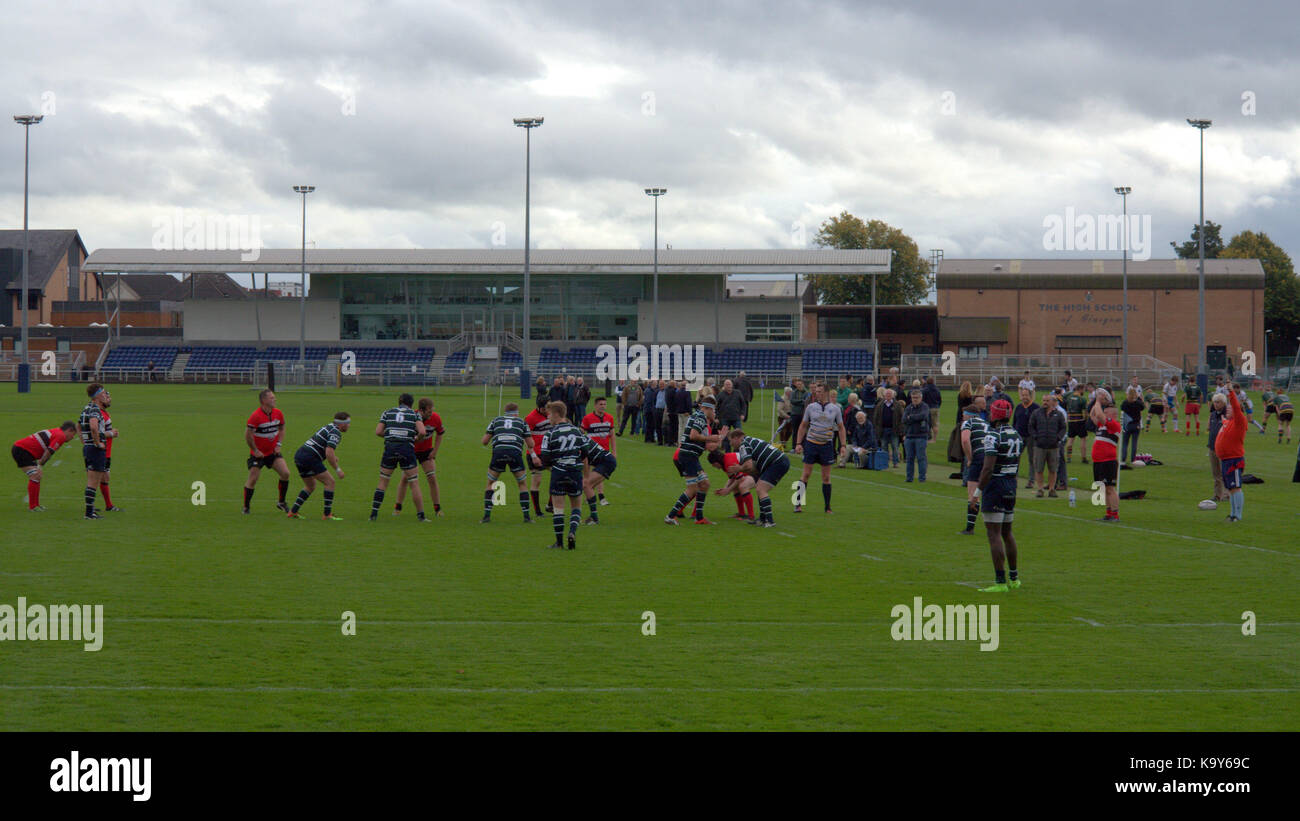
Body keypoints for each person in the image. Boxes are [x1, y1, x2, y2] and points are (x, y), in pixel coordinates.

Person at [976, 398, 1024, 593]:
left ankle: (1000, 581)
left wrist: (977, 492)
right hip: (1011, 483)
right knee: (1007, 532)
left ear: (993, 414)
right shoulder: (1017, 434)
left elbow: (987, 468)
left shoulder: (992, 436)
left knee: (994, 534)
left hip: (996, 484)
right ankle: (1014, 578)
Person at [533, 401, 591, 549]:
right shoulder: (577, 431)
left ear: (556, 414)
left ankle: (559, 543)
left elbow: (545, 458)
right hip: (575, 472)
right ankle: (572, 532)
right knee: (576, 506)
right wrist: (575, 461)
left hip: (558, 472)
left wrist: (553, 465)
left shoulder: (550, 433)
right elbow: (585, 451)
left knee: (558, 508)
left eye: (549, 415)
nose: (548, 418)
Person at [368, 393, 429, 522]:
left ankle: (373, 514)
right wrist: (416, 439)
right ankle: (421, 516)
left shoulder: (387, 412)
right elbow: (423, 432)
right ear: (411, 404)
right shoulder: (414, 414)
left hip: (390, 448)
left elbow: (378, 431)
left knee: (383, 482)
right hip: (406, 448)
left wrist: (391, 436)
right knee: (414, 483)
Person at [665, 395, 722, 525]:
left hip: (691, 456)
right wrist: (712, 438)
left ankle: (699, 517)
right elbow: (693, 435)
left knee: (705, 484)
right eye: (714, 410)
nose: (715, 413)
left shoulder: (698, 416)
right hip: (688, 455)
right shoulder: (701, 417)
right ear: (708, 409)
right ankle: (670, 516)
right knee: (692, 488)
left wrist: (717, 438)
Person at [794, 382, 847, 512]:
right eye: (816, 391)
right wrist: (798, 443)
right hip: (811, 443)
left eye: (819, 392)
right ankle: (797, 503)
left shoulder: (835, 409)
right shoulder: (811, 407)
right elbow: (803, 425)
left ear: (826, 393)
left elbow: (841, 428)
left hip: (826, 445)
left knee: (826, 477)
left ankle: (827, 507)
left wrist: (843, 445)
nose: (817, 393)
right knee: (806, 474)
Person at [287, 413, 350, 519]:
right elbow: (329, 452)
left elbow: (323, 447)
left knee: (310, 486)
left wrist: (333, 457)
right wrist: (337, 469)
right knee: (330, 482)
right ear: (341, 424)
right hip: (310, 458)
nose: (349, 425)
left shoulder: (329, 426)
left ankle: (293, 512)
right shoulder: (336, 432)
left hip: (300, 455)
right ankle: (327, 514)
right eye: (348, 423)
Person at [480, 402, 532, 524]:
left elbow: (484, 441)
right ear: (516, 413)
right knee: (522, 484)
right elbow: (530, 444)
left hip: (499, 453)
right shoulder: (521, 422)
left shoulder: (496, 420)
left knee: (491, 483)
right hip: (515, 453)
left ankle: (486, 516)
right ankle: (527, 517)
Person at [729, 429, 790, 527]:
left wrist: (739, 468)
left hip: (776, 462)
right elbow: (753, 468)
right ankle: (762, 519)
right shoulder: (750, 440)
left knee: (761, 489)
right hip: (779, 461)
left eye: (730, 440)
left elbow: (748, 465)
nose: (731, 444)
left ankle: (770, 521)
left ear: (736, 438)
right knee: (759, 487)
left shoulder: (743, 444)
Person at [394, 397, 444, 517]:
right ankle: (397, 507)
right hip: (411, 451)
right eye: (429, 412)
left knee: (432, 478)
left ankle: (437, 509)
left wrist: (435, 451)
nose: (431, 414)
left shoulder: (436, 418)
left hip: (426, 451)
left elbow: (440, 434)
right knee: (405, 479)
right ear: (421, 410)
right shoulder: (412, 417)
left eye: (432, 411)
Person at [12, 421, 78, 511]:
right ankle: (33, 507)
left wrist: (40, 464)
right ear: (69, 430)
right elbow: (49, 452)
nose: (73, 437)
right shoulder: (61, 436)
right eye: (73, 434)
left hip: (24, 450)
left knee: (37, 476)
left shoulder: (57, 431)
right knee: (35, 475)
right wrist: (40, 464)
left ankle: (36, 505)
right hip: (22, 450)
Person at [243, 388, 290, 514]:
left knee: (285, 473)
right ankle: (246, 507)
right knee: (253, 479)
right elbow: (248, 435)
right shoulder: (255, 416)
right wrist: (255, 450)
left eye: (274, 397)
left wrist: (279, 444)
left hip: (272, 453)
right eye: (271, 398)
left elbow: (282, 428)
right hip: (258, 454)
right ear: (263, 400)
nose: (275, 399)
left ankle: (281, 502)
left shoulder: (278, 413)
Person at [79, 384, 117, 520]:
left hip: (88, 449)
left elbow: (79, 425)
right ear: (98, 396)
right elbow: (94, 427)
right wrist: (97, 442)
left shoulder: (86, 408)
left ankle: (90, 511)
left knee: (92, 481)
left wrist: (84, 441)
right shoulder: (95, 409)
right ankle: (89, 513)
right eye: (103, 393)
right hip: (96, 450)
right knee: (93, 483)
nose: (105, 395)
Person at [1216, 385, 1249, 522]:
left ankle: (1238, 515)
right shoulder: (1228, 422)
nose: (1228, 410)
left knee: (1236, 487)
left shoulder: (1239, 422)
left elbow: (1235, 406)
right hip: (1225, 460)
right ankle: (1232, 513)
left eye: (1230, 409)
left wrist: (1231, 392)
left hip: (1234, 460)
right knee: (1230, 488)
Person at [958, 395, 989, 535]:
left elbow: (965, 440)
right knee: (989, 491)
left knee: (973, 493)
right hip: (990, 458)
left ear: (969, 415)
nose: (963, 416)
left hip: (978, 458)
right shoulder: (986, 424)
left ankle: (970, 528)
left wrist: (970, 458)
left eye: (964, 414)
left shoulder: (967, 423)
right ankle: (996, 524)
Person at [1090, 389, 1121, 522]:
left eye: (1105, 411)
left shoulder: (1114, 425)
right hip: (1099, 461)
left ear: (1111, 415)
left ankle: (1115, 514)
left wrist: (1098, 401)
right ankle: (1108, 514)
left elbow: (1100, 415)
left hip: (1108, 461)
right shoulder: (1102, 426)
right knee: (1104, 488)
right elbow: (1092, 414)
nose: (1102, 412)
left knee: (1110, 488)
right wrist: (1097, 401)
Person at [581, 396, 616, 507]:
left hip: (604, 451)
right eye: (600, 404)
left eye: (604, 404)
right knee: (589, 475)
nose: (603, 406)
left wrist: (614, 451)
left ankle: (601, 496)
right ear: (595, 405)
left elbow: (612, 435)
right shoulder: (587, 418)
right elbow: (581, 433)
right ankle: (590, 495)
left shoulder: (609, 418)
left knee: (600, 474)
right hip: (591, 452)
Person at [1028, 393, 1064, 497]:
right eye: (1044, 400)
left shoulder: (1058, 414)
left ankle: (1052, 489)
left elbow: (1063, 427)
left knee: (1053, 469)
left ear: (1052, 402)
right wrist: (1036, 437)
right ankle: (1040, 489)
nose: (1045, 403)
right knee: (1039, 469)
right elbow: (1031, 426)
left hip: (1053, 446)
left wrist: (1058, 438)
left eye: (1047, 401)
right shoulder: (1036, 413)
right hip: (1039, 446)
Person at [707, 447, 756, 521]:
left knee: (743, 486)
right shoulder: (725, 461)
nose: (713, 466)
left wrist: (728, 490)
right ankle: (742, 514)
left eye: (712, 464)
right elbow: (732, 478)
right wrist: (725, 488)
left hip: (757, 471)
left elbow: (740, 478)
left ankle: (751, 516)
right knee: (735, 487)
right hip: (750, 471)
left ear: (716, 462)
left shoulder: (728, 462)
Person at [524, 395, 553, 516]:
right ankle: (537, 511)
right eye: (546, 408)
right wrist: (533, 455)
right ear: (540, 408)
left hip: (549, 452)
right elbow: (526, 438)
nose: (548, 410)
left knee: (558, 476)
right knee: (537, 481)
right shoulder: (530, 418)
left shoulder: (552, 414)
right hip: (536, 453)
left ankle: (550, 505)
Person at [580, 435, 618, 525]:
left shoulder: (576, 440)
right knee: (587, 486)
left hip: (606, 462)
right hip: (606, 461)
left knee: (586, 484)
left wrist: (585, 477)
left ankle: (593, 518)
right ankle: (592, 517)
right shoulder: (578, 437)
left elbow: (584, 460)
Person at [902, 389, 930, 482]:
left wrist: (911, 417)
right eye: (913, 398)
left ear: (921, 398)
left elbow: (923, 416)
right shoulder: (908, 407)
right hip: (909, 436)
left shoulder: (925, 407)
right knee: (909, 458)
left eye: (916, 398)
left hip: (921, 436)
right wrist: (914, 418)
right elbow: (904, 419)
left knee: (921, 458)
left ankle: (922, 478)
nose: (915, 399)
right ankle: (909, 478)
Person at [1012, 389, 1039, 488]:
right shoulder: (1019, 407)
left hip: (1031, 437)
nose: (1024, 397)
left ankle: (1031, 481)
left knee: (1032, 459)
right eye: (1023, 395)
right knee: (1015, 458)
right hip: (1019, 436)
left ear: (1030, 396)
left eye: (1026, 395)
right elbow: (1014, 422)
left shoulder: (1035, 407)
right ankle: (1014, 478)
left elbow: (1038, 422)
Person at [1207, 393, 1230, 502]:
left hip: (1224, 448)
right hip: (1212, 447)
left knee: (1225, 472)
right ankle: (1217, 494)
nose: (1215, 404)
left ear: (1223, 403)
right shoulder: (1212, 414)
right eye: (1214, 402)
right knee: (1215, 473)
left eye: (1218, 402)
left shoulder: (1227, 415)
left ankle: (1226, 494)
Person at [874, 387, 903, 466]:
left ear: (893, 395)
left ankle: (895, 462)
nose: (888, 395)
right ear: (884, 395)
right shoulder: (880, 405)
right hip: (883, 429)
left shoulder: (897, 405)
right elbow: (875, 417)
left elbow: (901, 417)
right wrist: (877, 428)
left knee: (895, 446)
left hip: (894, 429)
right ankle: (885, 463)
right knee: (884, 447)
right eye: (887, 394)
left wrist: (900, 429)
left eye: (890, 394)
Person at [715, 379, 747, 446]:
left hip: (736, 418)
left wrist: (743, 414)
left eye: (729, 384)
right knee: (725, 436)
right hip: (725, 418)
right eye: (726, 384)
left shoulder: (738, 393)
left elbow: (743, 404)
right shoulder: (720, 395)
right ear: (724, 386)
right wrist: (717, 417)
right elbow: (716, 407)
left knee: (739, 434)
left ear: (732, 385)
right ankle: (727, 451)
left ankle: (739, 449)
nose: (728, 386)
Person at [1064, 382, 1089, 463]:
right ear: (1080, 389)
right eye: (1084, 390)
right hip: (1080, 421)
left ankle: (1068, 458)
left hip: (1071, 420)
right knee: (1083, 439)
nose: (1084, 391)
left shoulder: (1069, 396)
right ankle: (1083, 458)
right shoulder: (1082, 399)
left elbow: (1061, 398)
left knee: (1070, 439)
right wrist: (1086, 420)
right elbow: (1085, 412)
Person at [1120, 387, 1144, 465]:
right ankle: (1133, 459)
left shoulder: (1125, 403)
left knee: (1125, 443)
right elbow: (1142, 407)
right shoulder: (1138, 403)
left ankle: (1123, 459)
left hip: (1127, 424)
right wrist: (1139, 398)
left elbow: (1122, 409)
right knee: (1134, 443)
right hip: (1136, 424)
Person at [922, 376, 942, 442]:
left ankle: (928, 437)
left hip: (927, 408)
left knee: (927, 424)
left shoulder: (925, 389)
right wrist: (938, 406)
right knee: (935, 424)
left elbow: (923, 400)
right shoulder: (937, 389)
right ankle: (934, 439)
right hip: (935, 408)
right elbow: (940, 400)